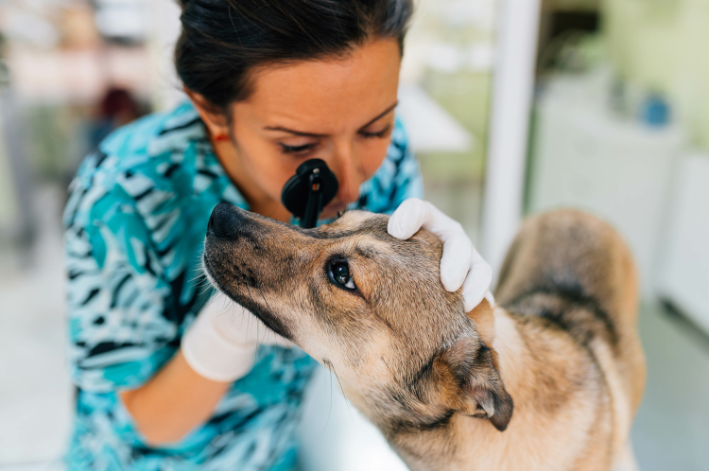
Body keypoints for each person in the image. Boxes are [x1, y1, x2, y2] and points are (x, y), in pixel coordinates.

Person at [63, 0, 492, 469]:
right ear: (211, 111)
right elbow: (143, 424)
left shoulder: (387, 163)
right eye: (298, 145)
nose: (352, 184)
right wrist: (222, 338)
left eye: (377, 127)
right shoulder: (123, 198)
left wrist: (460, 311)